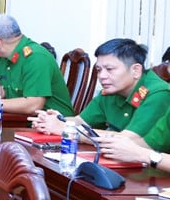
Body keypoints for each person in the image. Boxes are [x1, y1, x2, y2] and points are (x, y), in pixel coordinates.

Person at [31, 38, 170, 138]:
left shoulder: (157, 93)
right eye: (99, 70)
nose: (102, 76)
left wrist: (67, 129)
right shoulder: (110, 92)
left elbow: (128, 140)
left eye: (110, 69)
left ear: (136, 70)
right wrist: (55, 120)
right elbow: (80, 121)